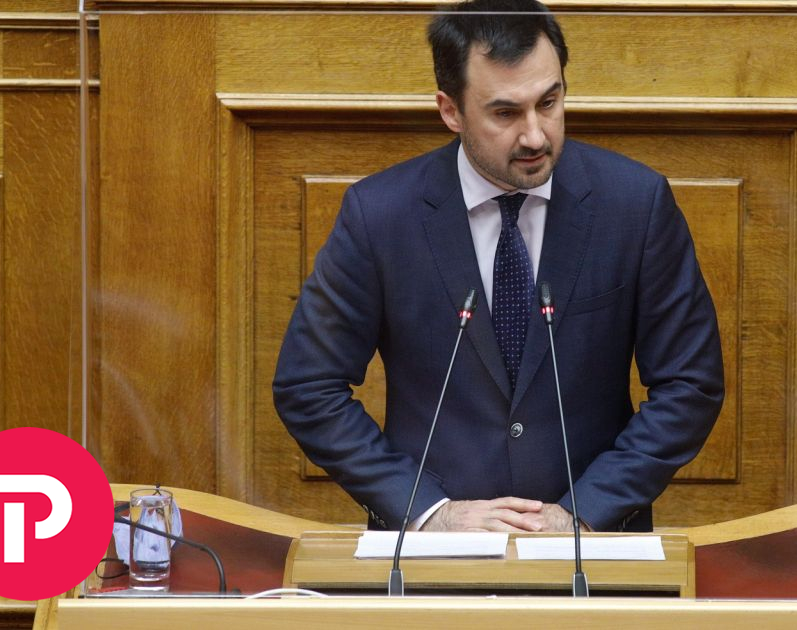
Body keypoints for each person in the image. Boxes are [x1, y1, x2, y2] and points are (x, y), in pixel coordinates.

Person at [273, 0, 723, 533]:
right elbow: (309, 386)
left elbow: (689, 385)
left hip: (593, 547)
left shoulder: (635, 204)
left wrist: (585, 513)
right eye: (506, 114)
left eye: (549, 103)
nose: (535, 136)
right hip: (433, 558)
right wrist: (428, 511)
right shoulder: (380, 215)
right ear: (451, 111)